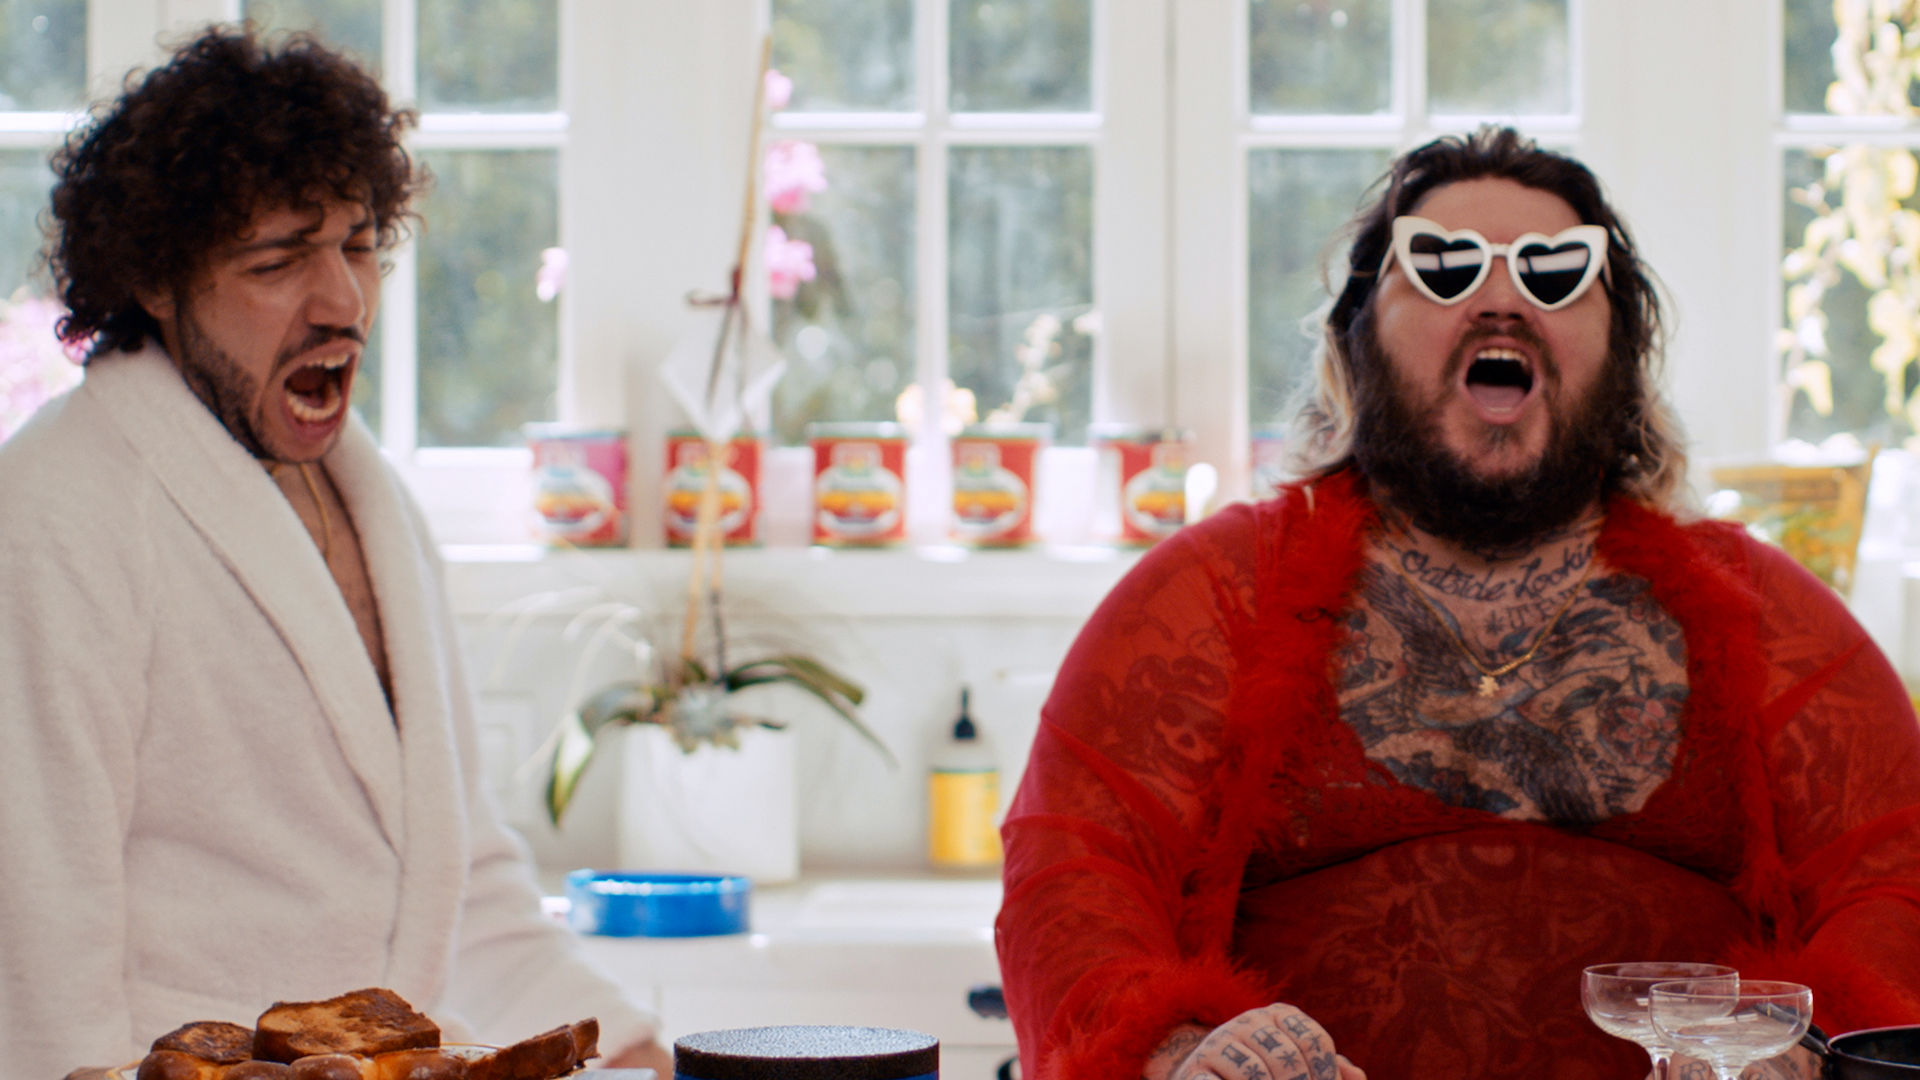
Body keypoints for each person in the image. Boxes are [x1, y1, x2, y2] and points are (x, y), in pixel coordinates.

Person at [995, 126, 1920, 1080]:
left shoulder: (1775, 617)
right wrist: (1180, 1054)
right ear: (1356, 338)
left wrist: (1807, 1051)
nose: (1501, 300)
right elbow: (1072, 878)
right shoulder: (1203, 596)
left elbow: (1894, 882)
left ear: (1624, 347)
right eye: (1444, 268)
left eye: (1555, 272)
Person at [0, 26, 674, 1079]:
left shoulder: (375, 503)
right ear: (157, 279)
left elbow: (459, 884)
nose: (345, 303)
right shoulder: (58, 508)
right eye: (278, 261)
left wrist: (635, 1051)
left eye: (358, 247)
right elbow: (35, 932)